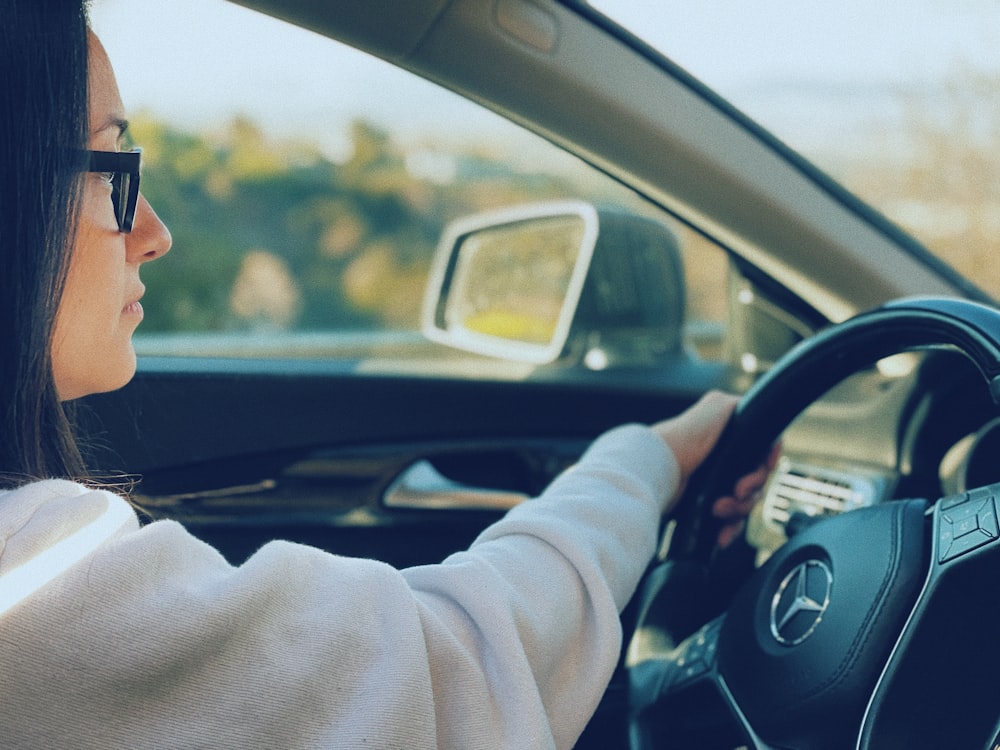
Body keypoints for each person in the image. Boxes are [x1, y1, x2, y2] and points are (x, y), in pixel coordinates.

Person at [0, 2, 772, 748]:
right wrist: (650, 464)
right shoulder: (36, 583)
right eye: (109, 169)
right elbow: (455, 671)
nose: (155, 234)